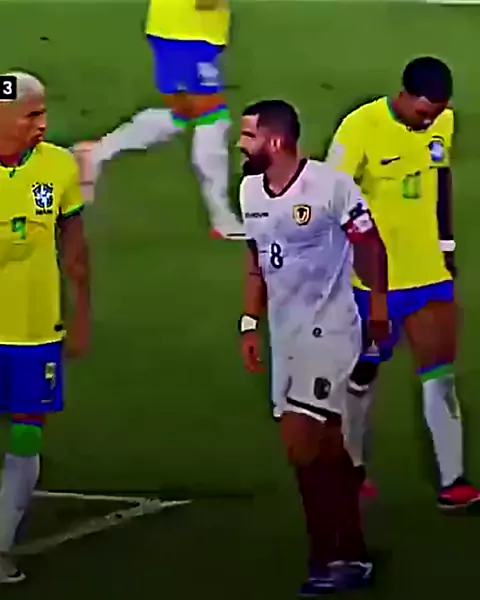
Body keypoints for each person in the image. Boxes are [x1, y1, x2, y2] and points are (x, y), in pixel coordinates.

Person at [238, 100, 389, 594]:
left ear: (276, 140)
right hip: (285, 336)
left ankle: (324, 557)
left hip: (330, 331)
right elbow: (256, 261)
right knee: (324, 450)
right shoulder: (249, 191)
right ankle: (353, 551)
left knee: (300, 443)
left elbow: (371, 246)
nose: (240, 145)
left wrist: (379, 310)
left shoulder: (330, 187)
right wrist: (248, 323)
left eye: (248, 136)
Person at [327, 56, 480, 509]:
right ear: (405, 95)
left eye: (437, 112)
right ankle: (352, 465)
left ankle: (453, 481)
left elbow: (441, 179)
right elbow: (331, 198)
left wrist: (447, 247)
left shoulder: (443, 123)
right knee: (363, 373)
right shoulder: (360, 127)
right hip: (372, 282)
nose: (430, 120)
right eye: (424, 111)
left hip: (429, 274)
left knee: (440, 376)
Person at [0, 72, 90, 584]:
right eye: (31, 115)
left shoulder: (57, 166)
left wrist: (81, 313)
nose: (42, 124)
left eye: (43, 113)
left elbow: (74, 247)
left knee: (26, 433)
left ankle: (0, 545)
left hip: (35, 332)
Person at [72, 0, 244, 240]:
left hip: (175, 28)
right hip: (189, 33)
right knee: (212, 116)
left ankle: (94, 153)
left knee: (184, 112)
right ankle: (222, 216)